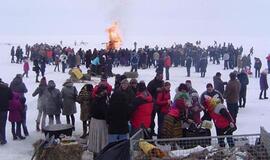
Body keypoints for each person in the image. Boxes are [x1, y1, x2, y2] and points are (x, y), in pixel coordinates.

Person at [88, 84, 109, 154]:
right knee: (101, 138)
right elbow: (104, 112)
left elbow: (91, 111)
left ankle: (95, 150)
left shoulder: (95, 99)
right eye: (105, 92)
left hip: (94, 121)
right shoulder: (102, 101)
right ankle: (100, 151)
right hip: (100, 123)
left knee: (96, 137)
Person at [0, 79, 12, 145]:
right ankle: (3, 139)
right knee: (3, 125)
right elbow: (11, 97)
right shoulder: (7, 88)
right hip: (4, 109)